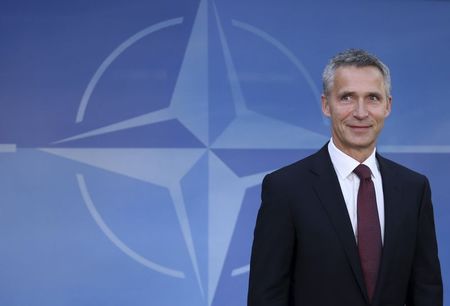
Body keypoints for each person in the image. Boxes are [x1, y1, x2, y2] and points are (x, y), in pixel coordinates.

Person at [247, 49, 443, 306]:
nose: (360, 112)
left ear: (388, 106)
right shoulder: (285, 189)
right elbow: (266, 296)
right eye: (347, 97)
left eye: (372, 98)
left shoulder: (414, 189)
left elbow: (426, 291)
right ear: (326, 105)